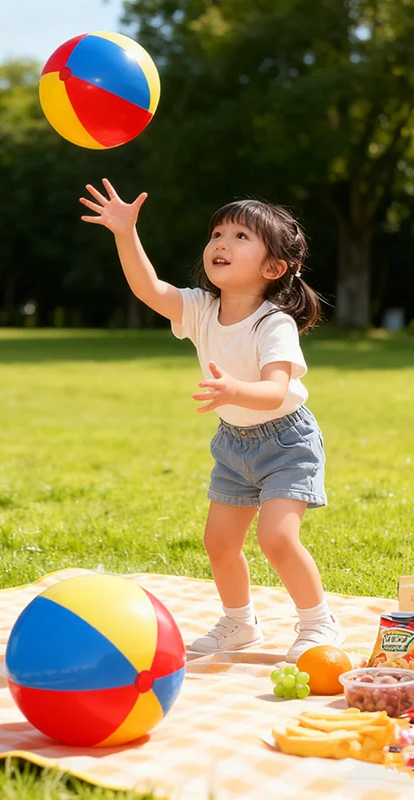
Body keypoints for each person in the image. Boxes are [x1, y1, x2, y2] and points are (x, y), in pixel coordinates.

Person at [79, 179, 344, 662]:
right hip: (233, 444)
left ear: (274, 267)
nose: (221, 242)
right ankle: (240, 624)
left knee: (277, 538)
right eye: (218, 233)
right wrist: (125, 232)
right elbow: (149, 288)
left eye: (241, 237)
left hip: (286, 441)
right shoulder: (201, 309)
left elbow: (276, 390)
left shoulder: (273, 322)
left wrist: (234, 391)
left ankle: (318, 622)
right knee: (219, 543)